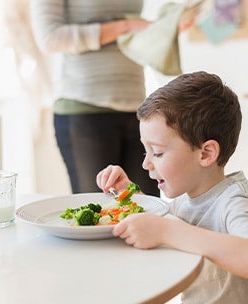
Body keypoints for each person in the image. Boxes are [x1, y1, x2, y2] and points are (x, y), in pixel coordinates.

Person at [96, 71, 248, 304]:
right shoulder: (186, 199)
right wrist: (125, 192)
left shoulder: (234, 201)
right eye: (145, 151)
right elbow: (155, 221)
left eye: (157, 152)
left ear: (206, 153)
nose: (146, 164)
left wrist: (166, 231)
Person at [29, 0, 199, 195]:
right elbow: (50, 38)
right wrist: (126, 26)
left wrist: (160, 29)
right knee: (98, 209)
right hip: (85, 107)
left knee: (148, 205)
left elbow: (136, 34)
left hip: (136, 106)